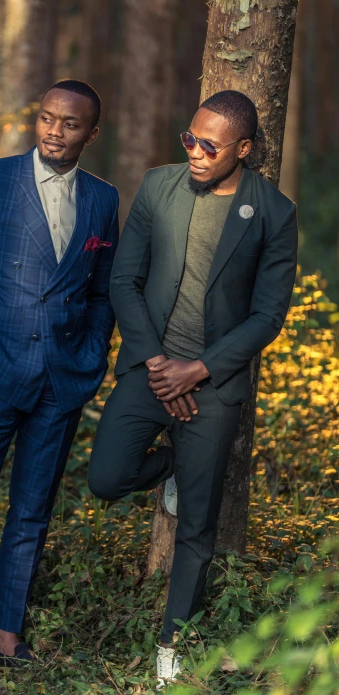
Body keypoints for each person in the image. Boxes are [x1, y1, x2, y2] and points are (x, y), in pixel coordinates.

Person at [88, 90, 298, 687]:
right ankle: (173, 463)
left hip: (213, 384)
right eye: (190, 138)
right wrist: (158, 363)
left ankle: (170, 648)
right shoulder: (159, 187)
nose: (196, 153)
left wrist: (198, 370)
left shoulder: (274, 213)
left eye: (210, 145)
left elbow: (267, 317)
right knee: (106, 478)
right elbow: (124, 281)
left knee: (198, 526)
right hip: (149, 369)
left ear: (244, 149)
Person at [0, 79, 119, 683]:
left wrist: (92, 357)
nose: (55, 131)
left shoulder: (103, 199)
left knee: (32, 512)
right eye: (47, 118)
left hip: (61, 384)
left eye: (70, 124)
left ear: (92, 132)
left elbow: (102, 290)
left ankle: (6, 634)